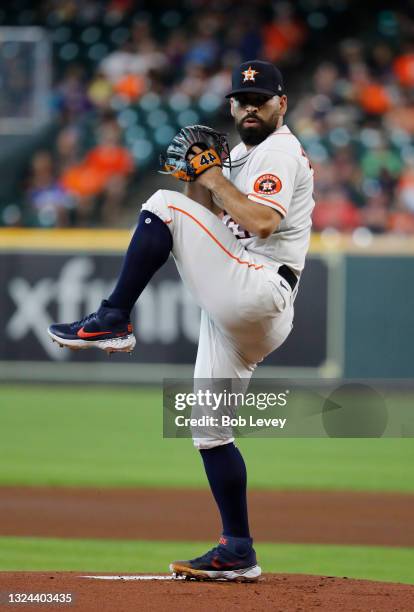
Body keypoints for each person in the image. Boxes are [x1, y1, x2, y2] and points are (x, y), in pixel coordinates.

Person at [48, 60, 315, 582]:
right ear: (232, 107)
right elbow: (212, 221)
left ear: (282, 104)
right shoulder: (240, 156)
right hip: (243, 306)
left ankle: (113, 318)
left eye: (262, 97)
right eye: (243, 98)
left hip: (260, 285)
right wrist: (199, 178)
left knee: (159, 206)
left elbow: (261, 222)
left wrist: (209, 176)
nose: (252, 106)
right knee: (210, 431)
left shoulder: (278, 150)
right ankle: (237, 549)